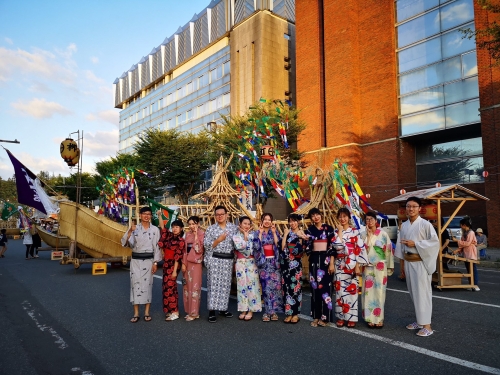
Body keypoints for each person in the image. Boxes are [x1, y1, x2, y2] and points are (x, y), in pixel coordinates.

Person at [394, 196, 439, 337]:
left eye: (414, 206)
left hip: (420, 262)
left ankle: (427, 326)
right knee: (414, 293)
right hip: (408, 262)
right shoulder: (405, 225)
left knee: (423, 293)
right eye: (408, 206)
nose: (411, 209)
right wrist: (402, 265)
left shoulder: (426, 225)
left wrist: (416, 244)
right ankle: (420, 322)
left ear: (419, 208)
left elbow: (434, 243)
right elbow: (401, 246)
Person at [121, 206, 162, 323]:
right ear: (140, 215)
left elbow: (157, 247)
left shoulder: (155, 230)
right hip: (136, 262)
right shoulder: (134, 228)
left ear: (151, 216)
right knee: (135, 286)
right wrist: (130, 231)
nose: (147, 216)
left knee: (148, 285)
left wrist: (155, 263)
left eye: (149, 214)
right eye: (144, 214)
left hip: (149, 261)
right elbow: (126, 243)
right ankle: (136, 313)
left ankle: (147, 312)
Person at [332, 207, 368, 328]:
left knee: (351, 292)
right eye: (340, 217)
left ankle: (351, 317)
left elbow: (358, 250)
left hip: (351, 265)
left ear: (348, 217)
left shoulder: (355, 232)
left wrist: (357, 266)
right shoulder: (336, 231)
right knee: (339, 292)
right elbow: (336, 247)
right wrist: (340, 231)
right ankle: (341, 317)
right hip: (339, 264)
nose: (342, 219)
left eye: (344, 216)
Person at [204, 205, 238, 323]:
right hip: (215, 259)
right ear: (215, 216)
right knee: (213, 286)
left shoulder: (233, 228)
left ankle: (223, 309)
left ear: (226, 215)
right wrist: (219, 239)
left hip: (228, 260)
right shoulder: (211, 229)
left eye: (222, 214)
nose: (219, 216)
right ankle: (212, 311)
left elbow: (237, 245)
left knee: (225, 285)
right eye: (217, 215)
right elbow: (207, 245)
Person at [361, 211, 394, 328]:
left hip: (380, 266)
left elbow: (388, 250)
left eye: (371, 219)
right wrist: (369, 237)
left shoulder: (383, 234)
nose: (369, 221)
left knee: (380, 292)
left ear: (376, 220)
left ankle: (379, 318)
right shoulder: (363, 234)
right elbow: (361, 250)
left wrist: (390, 266)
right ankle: (369, 318)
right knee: (368, 292)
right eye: (367, 219)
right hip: (367, 266)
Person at [305, 207, 335, 327]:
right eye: (313, 216)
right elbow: (307, 248)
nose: (315, 217)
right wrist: (305, 240)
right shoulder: (309, 231)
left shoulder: (329, 229)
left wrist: (331, 263)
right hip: (314, 262)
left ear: (320, 215)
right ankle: (316, 316)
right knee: (315, 290)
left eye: (317, 214)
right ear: (311, 218)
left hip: (326, 261)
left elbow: (332, 247)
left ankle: (325, 317)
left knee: (326, 290)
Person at [253, 212, 284, 322]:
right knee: (266, 288)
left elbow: (278, 245)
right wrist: (260, 234)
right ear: (261, 221)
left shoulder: (274, 232)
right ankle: (267, 311)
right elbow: (256, 247)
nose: (267, 221)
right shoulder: (257, 233)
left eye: (269, 219)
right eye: (265, 219)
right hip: (264, 262)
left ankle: (274, 311)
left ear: (271, 221)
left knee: (276, 288)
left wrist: (275, 233)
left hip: (274, 263)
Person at [280, 213, 308, 324]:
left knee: (295, 289)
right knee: (286, 288)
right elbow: (282, 247)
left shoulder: (301, 232)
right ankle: (288, 313)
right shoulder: (287, 232)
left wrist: (301, 238)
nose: (293, 223)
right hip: (286, 264)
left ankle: (296, 313)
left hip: (296, 264)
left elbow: (302, 249)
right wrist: (286, 235)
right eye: (290, 221)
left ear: (298, 222)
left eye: (294, 221)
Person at [233, 216, 262, 321]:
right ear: (240, 224)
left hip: (251, 262)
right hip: (240, 262)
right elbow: (240, 248)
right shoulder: (235, 236)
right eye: (244, 223)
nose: (246, 226)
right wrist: (245, 237)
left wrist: (246, 238)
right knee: (241, 286)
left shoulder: (253, 235)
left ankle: (251, 309)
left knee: (252, 285)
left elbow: (250, 251)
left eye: (248, 224)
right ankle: (243, 309)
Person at [158, 218, 186, 321]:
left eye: (177, 227)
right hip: (166, 263)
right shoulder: (170, 236)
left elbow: (178, 256)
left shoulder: (181, 241)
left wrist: (174, 271)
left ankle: (175, 311)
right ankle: (169, 310)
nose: (174, 229)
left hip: (174, 264)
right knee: (165, 287)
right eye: (173, 227)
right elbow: (163, 228)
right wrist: (159, 215)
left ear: (181, 228)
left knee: (171, 287)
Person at [182, 216, 204, 321]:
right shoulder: (187, 234)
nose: (191, 226)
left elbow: (199, 250)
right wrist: (184, 263)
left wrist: (196, 236)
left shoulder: (202, 234)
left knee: (195, 287)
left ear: (198, 224)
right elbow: (185, 250)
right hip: (188, 262)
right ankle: (189, 310)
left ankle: (195, 313)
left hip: (196, 263)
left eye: (193, 224)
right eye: (190, 224)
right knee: (187, 287)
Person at [452, 217, 479, 291]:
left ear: (464, 225)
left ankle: (475, 284)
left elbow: (467, 243)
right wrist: (457, 250)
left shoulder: (471, 232)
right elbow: (462, 244)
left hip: (471, 252)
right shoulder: (465, 233)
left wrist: (456, 241)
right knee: (468, 269)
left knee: (473, 269)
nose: (460, 226)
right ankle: (471, 284)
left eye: (461, 225)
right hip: (466, 252)